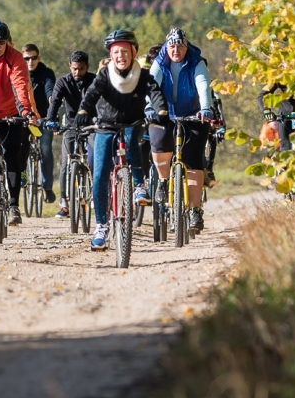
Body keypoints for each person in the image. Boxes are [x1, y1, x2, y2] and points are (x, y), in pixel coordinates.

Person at [76, 30, 167, 252]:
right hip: (105, 126)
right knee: (99, 175)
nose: (120, 56)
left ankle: (139, 185)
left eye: (125, 52)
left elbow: (154, 92)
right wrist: (83, 110)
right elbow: (92, 93)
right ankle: (101, 226)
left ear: (133, 53)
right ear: (111, 54)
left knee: (132, 142)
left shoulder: (143, 75)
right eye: (116, 52)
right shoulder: (105, 75)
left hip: (132, 123)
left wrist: (161, 110)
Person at [148, 28, 214, 233]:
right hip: (164, 112)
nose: (175, 50)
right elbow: (151, 85)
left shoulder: (197, 62)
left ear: (187, 47)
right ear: (167, 47)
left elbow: (203, 85)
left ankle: (195, 211)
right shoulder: (159, 62)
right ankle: (163, 181)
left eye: (180, 46)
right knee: (158, 143)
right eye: (172, 46)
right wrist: (150, 108)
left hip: (193, 114)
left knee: (194, 160)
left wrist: (205, 108)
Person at [0, 20, 39, 226]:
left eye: (1, 43)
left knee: (12, 154)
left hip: (9, 112)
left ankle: (13, 205)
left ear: (7, 42)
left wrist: (25, 109)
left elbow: (20, 84)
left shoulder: (15, 58)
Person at [44, 50, 97, 218]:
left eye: (81, 69)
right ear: (69, 66)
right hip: (71, 125)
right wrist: (51, 120)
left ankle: (98, 193)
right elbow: (55, 103)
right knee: (67, 163)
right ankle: (65, 202)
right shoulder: (63, 82)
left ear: (87, 67)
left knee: (97, 155)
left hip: (91, 125)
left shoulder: (94, 80)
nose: (77, 72)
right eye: (74, 68)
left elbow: (102, 101)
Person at [22, 43, 57, 204]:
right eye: (26, 58)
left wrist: (52, 106)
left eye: (33, 58)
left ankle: (47, 187)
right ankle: (22, 176)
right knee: (18, 146)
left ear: (39, 57)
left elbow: (50, 91)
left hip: (43, 117)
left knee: (45, 148)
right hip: (24, 118)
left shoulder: (46, 73)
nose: (30, 61)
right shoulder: (19, 73)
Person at [258, 81, 295, 151]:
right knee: (285, 146)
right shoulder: (278, 77)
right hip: (286, 112)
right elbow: (261, 96)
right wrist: (266, 110)